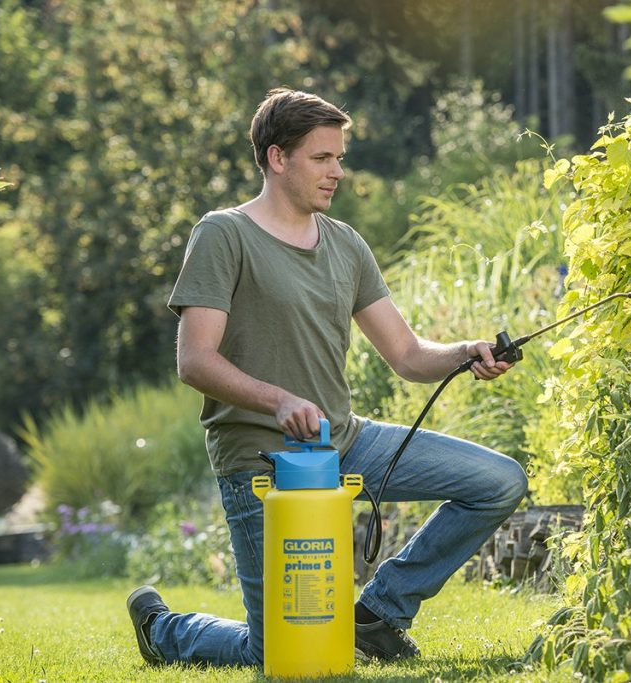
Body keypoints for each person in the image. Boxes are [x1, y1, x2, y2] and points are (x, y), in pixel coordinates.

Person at [125, 88, 528, 667]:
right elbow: (195, 360)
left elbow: (408, 356)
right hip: (264, 463)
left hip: (346, 442)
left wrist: (466, 352)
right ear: (276, 157)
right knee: (290, 656)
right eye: (322, 158)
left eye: (339, 158)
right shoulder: (224, 235)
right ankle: (166, 631)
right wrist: (278, 398)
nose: (337, 172)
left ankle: (380, 612)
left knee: (498, 482)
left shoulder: (346, 245)